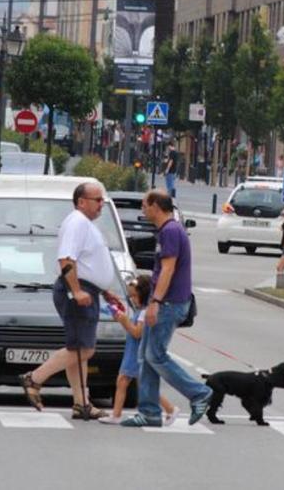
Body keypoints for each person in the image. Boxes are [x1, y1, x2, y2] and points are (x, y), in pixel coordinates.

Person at [20, 182, 117, 421]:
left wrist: (104, 290)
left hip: (88, 290)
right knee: (84, 348)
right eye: (97, 200)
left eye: (102, 200)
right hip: (78, 290)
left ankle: (81, 403)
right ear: (81, 201)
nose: (101, 205)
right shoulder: (77, 222)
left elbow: (88, 262)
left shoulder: (86, 224)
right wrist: (77, 291)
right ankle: (34, 378)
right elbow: (66, 260)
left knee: (78, 349)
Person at [121, 189, 212, 427]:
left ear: (156, 206)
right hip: (166, 301)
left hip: (169, 303)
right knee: (145, 356)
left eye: (144, 205)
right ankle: (149, 412)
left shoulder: (171, 231)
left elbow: (168, 270)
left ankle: (199, 393)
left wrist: (155, 302)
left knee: (155, 355)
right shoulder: (168, 230)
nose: (142, 209)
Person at [98, 274, 176, 425]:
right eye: (131, 296)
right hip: (133, 351)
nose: (132, 299)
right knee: (132, 382)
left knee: (125, 381)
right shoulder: (140, 311)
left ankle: (169, 408)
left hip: (136, 352)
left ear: (144, 294)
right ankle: (169, 409)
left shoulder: (144, 313)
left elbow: (137, 333)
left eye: (135, 296)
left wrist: (125, 321)